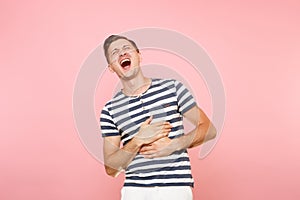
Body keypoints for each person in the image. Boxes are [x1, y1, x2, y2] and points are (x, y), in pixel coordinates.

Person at [100, 34, 217, 200]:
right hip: (135, 192)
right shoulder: (110, 110)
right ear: (111, 67)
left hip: (175, 189)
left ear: (139, 56)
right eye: (115, 53)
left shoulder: (173, 88)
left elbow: (209, 129)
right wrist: (138, 140)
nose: (121, 54)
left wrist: (174, 145)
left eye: (126, 48)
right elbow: (111, 169)